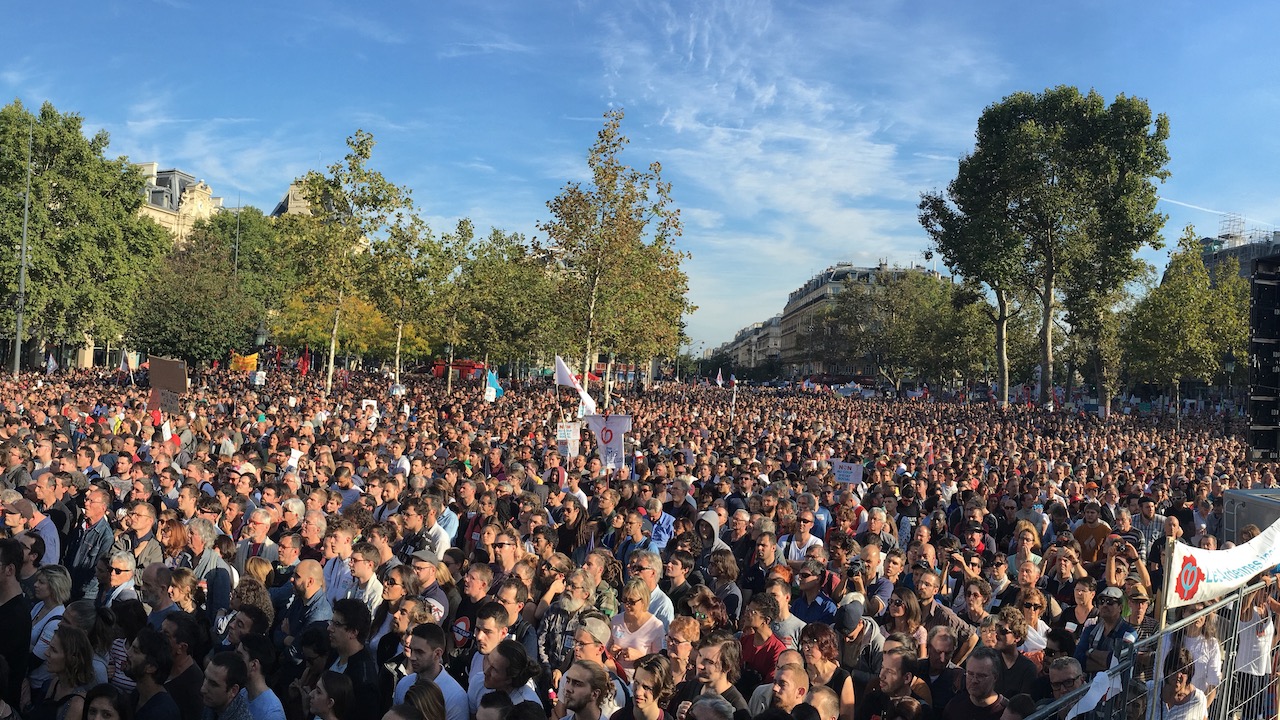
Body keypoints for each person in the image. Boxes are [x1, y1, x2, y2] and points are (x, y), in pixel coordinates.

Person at [395, 623, 467, 720]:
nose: (412, 657)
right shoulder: (403, 684)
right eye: (411, 650)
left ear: (437, 654)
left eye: (419, 652)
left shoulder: (455, 696)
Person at [667, 632, 748, 716]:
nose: (699, 665)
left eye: (709, 662)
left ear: (726, 667)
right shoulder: (686, 689)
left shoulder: (738, 709)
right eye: (700, 655)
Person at [326, 599, 382, 720]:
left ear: (353, 632)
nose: (329, 628)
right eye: (331, 622)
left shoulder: (363, 680)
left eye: (337, 624)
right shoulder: (335, 653)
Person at [30, 626, 96, 720]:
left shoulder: (77, 703)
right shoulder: (55, 682)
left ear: (72, 659)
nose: (46, 653)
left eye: (54, 650)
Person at [610, 578, 666, 681]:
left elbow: (660, 662)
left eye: (632, 602)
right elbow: (605, 650)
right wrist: (611, 652)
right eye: (624, 600)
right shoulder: (616, 620)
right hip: (615, 677)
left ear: (644, 601)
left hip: (640, 680)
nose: (627, 605)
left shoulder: (656, 626)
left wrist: (641, 656)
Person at [800, 623, 855, 720]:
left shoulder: (842, 677)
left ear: (824, 644)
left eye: (811, 642)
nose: (806, 648)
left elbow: (847, 716)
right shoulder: (800, 672)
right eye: (804, 643)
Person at [125, 627, 181, 720]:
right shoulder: (137, 695)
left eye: (135, 651)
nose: (128, 653)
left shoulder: (162, 714)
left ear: (151, 667)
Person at [942, 647, 1005, 720]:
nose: (974, 680)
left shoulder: (1007, 713)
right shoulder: (954, 707)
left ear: (995, 677)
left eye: (981, 676)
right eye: (970, 674)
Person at [235, 634, 286, 720]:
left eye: (240, 656)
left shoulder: (272, 714)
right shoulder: (243, 693)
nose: (234, 660)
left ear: (254, 665)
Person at [739, 591, 786, 684]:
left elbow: (770, 683)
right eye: (747, 609)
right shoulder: (745, 640)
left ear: (766, 620)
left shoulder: (777, 650)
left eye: (752, 612)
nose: (746, 614)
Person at [610, 653, 673, 720]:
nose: (638, 692)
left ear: (661, 689)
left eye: (646, 687)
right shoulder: (618, 717)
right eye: (636, 683)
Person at [482, 640, 542, 706]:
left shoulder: (526, 707)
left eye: (495, 670)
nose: (485, 672)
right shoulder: (478, 681)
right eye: (488, 661)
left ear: (508, 679)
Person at [1157, 649, 1207, 720]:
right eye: (1174, 670)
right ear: (1167, 670)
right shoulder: (1151, 689)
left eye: (1183, 672)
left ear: (1189, 674)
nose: (1178, 676)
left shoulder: (1198, 699)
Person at [201, 652, 252, 720]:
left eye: (213, 684)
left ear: (233, 690)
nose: (203, 689)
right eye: (205, 677)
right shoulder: (213, 704)